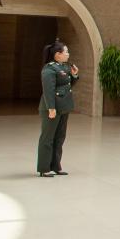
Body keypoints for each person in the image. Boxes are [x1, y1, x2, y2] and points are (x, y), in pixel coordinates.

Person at [37, 39, 78, 177]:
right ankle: (44, 168)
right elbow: (48, 90)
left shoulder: (64, 67)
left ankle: (55, 166)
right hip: (52, 107)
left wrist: (74, 75)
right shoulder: (49, 69)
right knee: (47, 138)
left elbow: (66, 85)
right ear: (57, 54)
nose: (68, 54)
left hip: (63, 107)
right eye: (66, 51)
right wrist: (51, 108)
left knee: (59, 137)